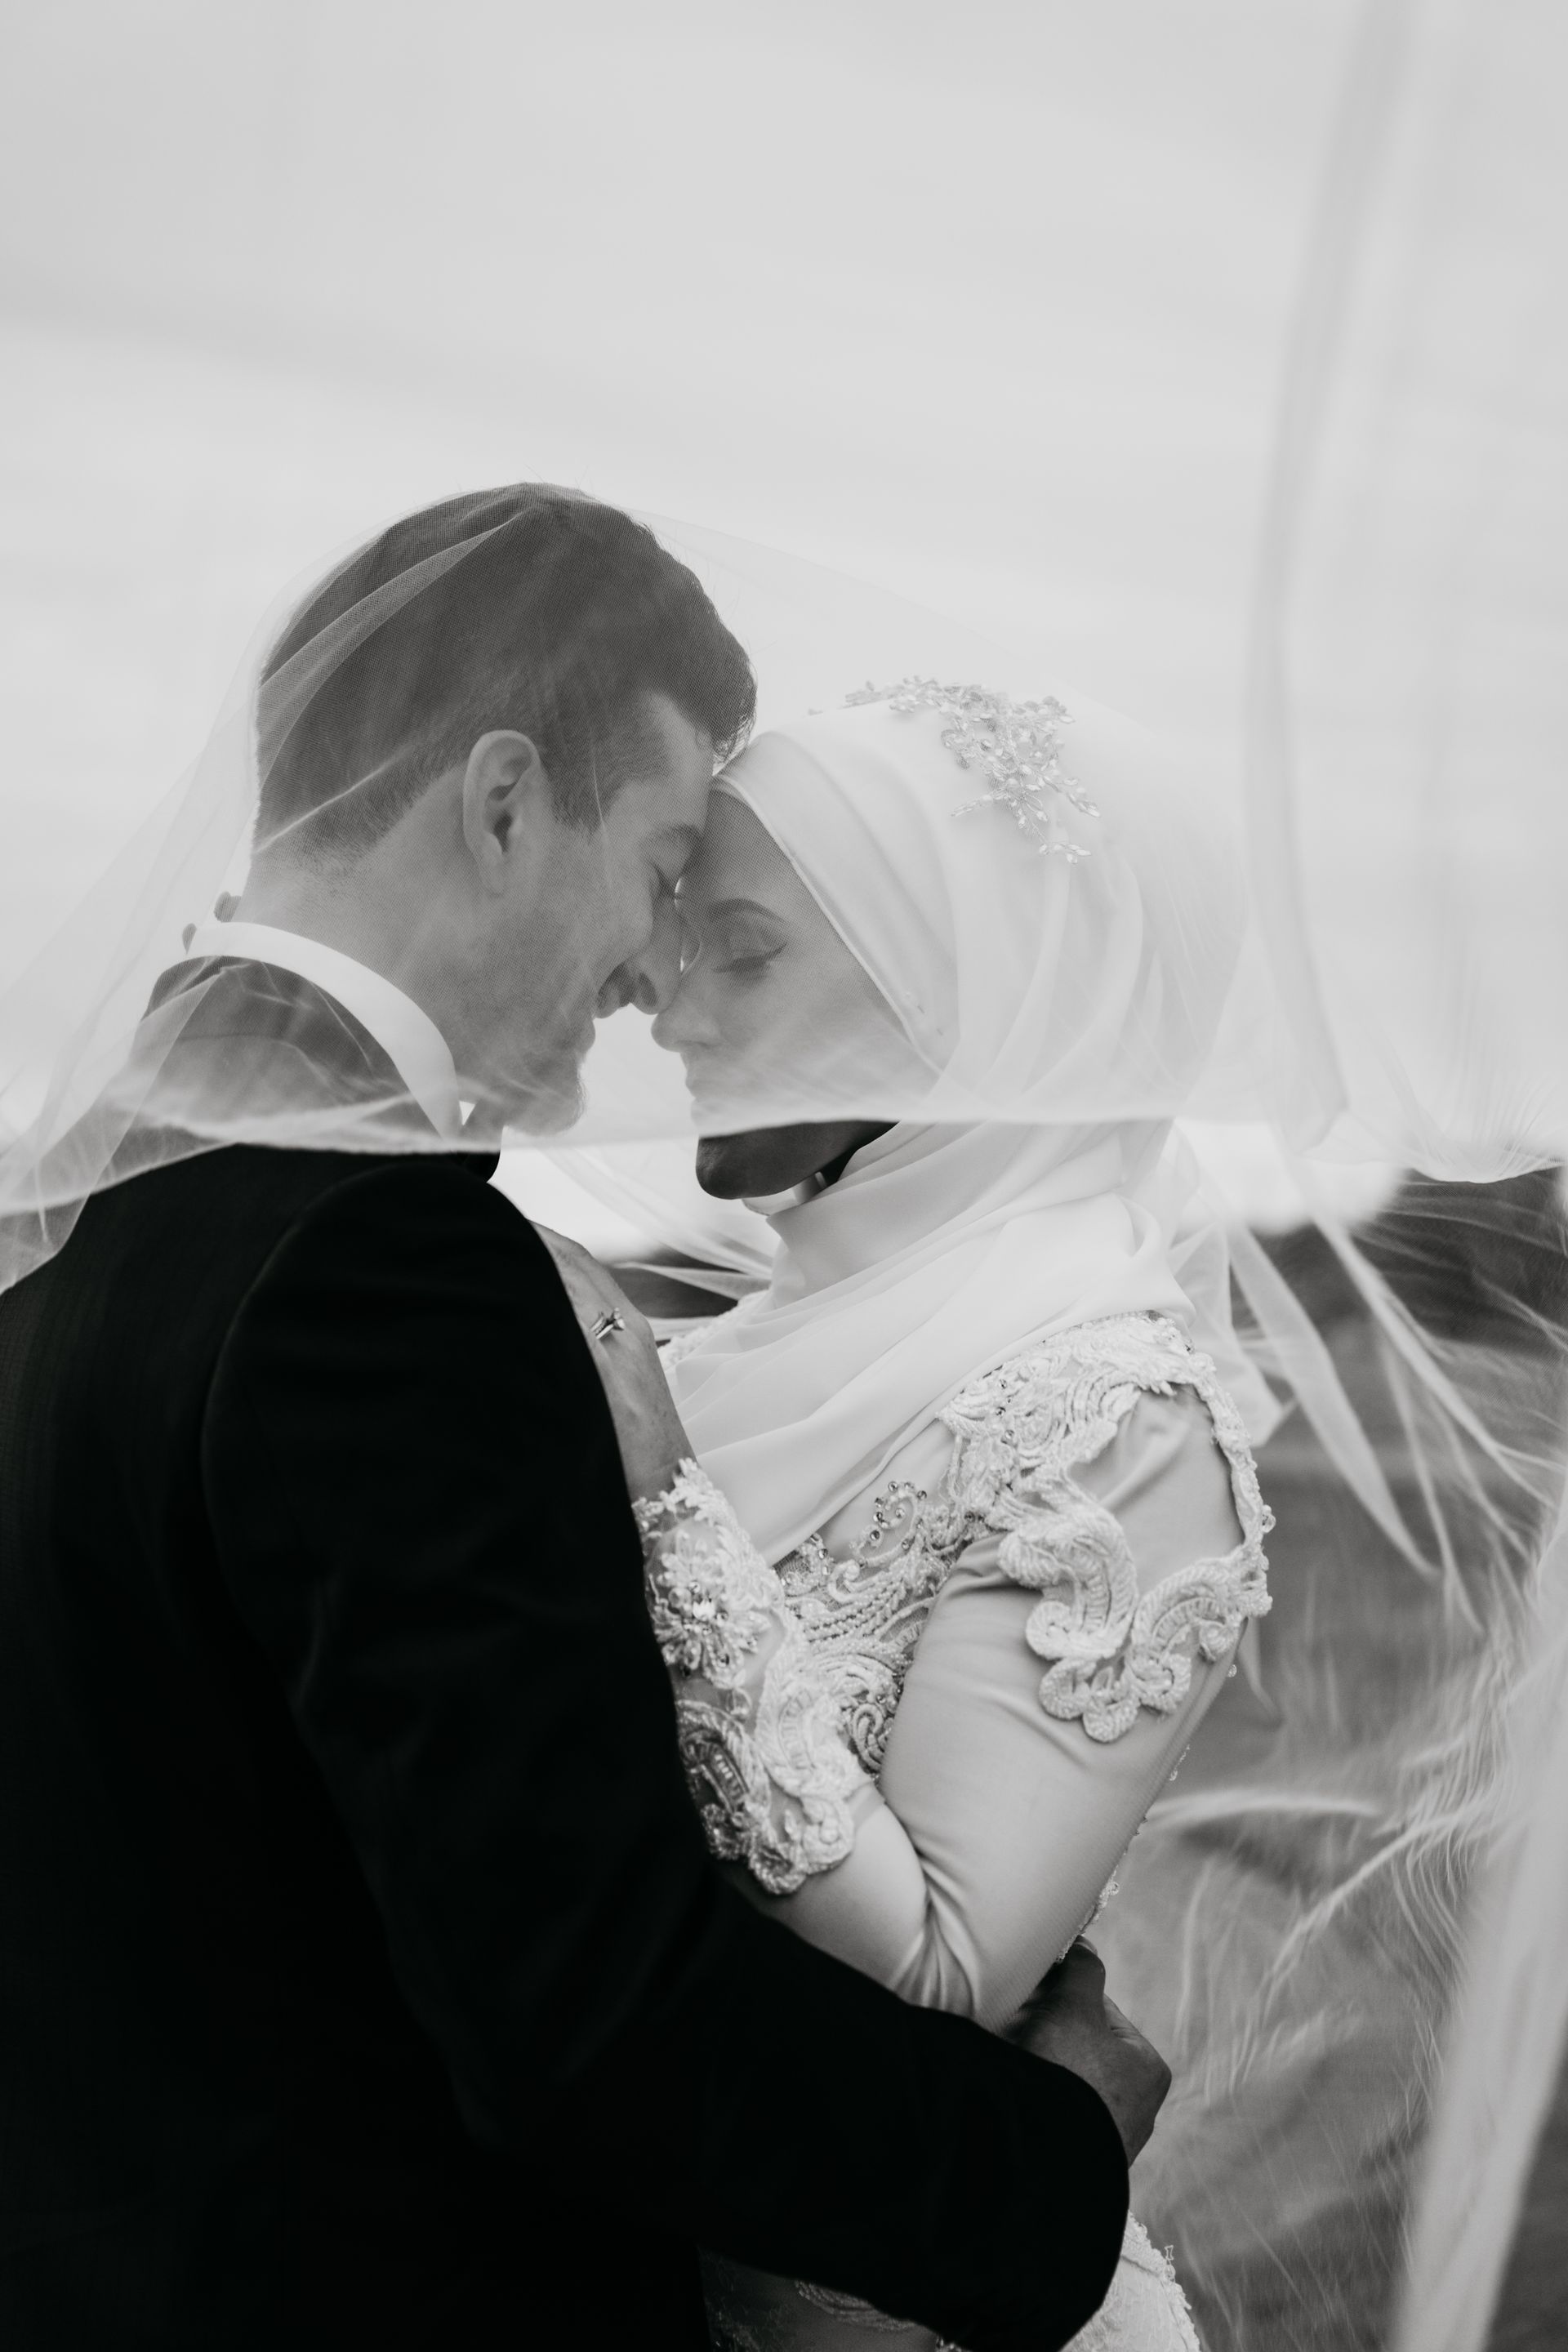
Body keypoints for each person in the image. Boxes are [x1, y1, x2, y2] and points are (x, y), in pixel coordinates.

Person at [0, 488, 1166, 2352]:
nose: (651, 973)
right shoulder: (380, 1271)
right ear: (502, 798)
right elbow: (584, 2019)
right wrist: (1045, 2159)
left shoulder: (71, 1210)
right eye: (660, 862)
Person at [546, 687, 1282, 2350]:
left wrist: (661, 1499)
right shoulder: (697, 1362)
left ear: (970, 1013)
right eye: (682, 940)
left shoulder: (1112, 1418)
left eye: (743, 951)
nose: (665, 1006)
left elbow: (950, 1979)